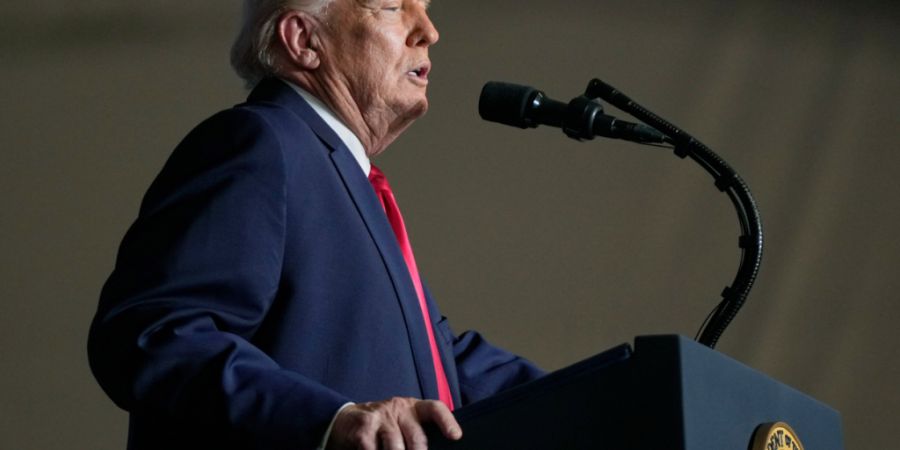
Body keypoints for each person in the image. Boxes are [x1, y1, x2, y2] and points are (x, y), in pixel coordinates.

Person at [87, 1, 544, 449]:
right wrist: (330, 422)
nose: (428, 29)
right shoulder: (260, 143)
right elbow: (153, 334)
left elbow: (437, 361)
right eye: (391, 6)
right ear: (304, 40)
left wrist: (601, 395)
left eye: (423, 6)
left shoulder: (344, 175)